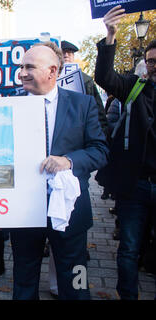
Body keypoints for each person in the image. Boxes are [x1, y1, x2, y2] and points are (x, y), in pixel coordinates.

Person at [9, 42, 108, 300]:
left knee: (75, 279)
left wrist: (69, 160)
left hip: (69, 210)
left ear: (52, 71)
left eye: (29, 67)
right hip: (24, 212)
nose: (21, 73)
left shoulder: (82, 104)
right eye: (21, 67)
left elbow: (100, 150)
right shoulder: (11, 107)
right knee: (24, 279)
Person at [94, 5, 156, 300]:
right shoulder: (135, 86)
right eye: (151, 61)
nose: (155, 65)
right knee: (129, 249)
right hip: (136, 185)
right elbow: (105, 78)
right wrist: (110, 37)